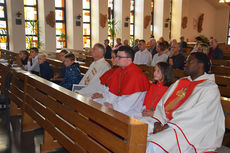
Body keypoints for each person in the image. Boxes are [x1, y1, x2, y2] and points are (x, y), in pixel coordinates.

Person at [146, 52, 225, 153]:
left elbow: (197, 116)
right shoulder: (181, 82)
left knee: (154, 144)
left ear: (200, 65)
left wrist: (167, 126)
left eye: (189, 61)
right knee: (138, 128)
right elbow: (162, 104)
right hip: (167, 122)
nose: (185, 64)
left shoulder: (209, 88)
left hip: (188, 130)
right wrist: (158, 122)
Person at [92, 46, 150, 117]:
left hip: (130, 109)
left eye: (119, 57)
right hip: (116, 104)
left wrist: (114, 107)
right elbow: (112, 91)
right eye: (116, 57)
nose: (116, 59)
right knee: (94, 103)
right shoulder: (119, 71)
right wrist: (107, 101)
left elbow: (131, 100)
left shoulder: (137, 75)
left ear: (129, 60)